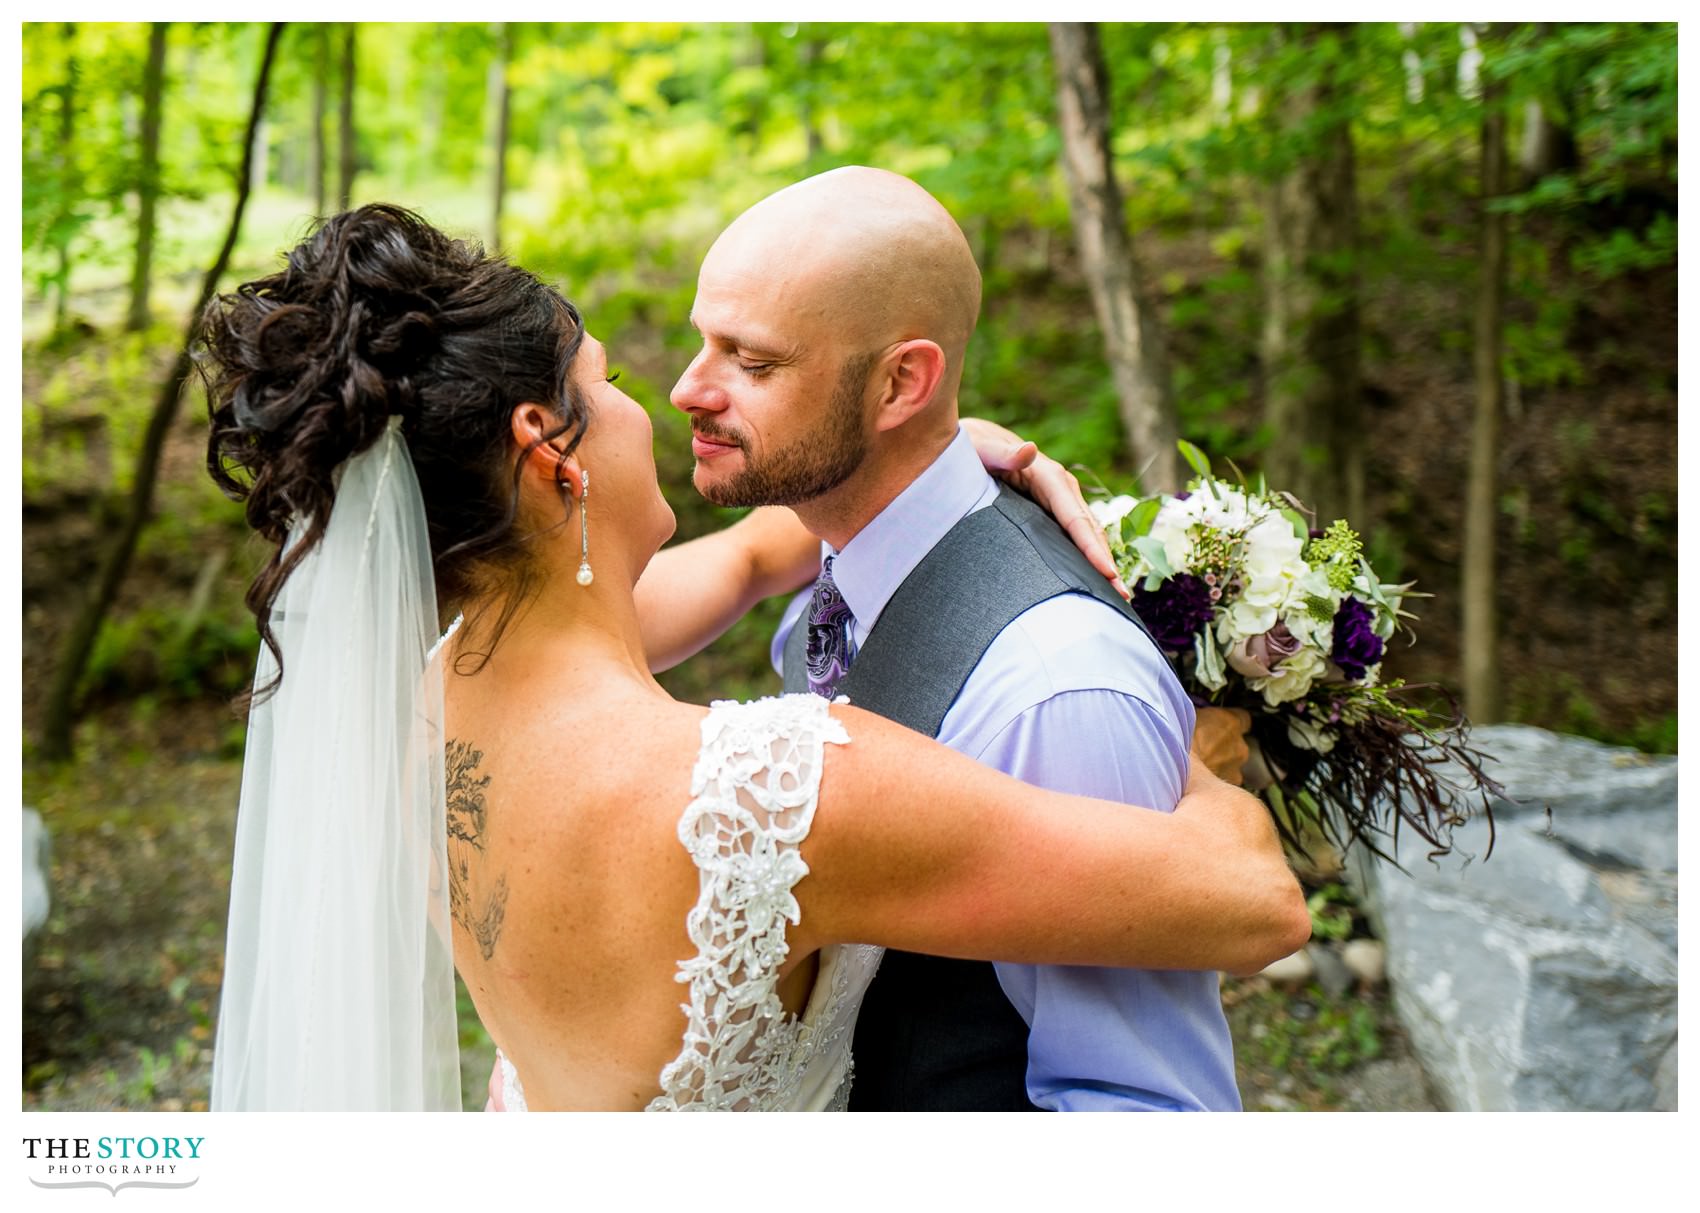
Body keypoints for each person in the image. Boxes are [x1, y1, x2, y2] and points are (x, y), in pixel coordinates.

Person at [204, 204, 1307, 1112]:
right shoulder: (775, 793)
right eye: (613, 384)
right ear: (550, 453)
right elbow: (1255, 901)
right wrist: (1202, 745)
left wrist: (932, 453)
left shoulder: (417, 693)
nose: (673, 395)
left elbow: (747, 556)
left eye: (741, 356)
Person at [665, 166, 1250, 1110]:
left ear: (903, 381)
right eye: (705, 343)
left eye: (754, 362)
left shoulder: (1055, 689)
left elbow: (1140, 1105)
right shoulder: (847, 552)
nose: (691, 388)